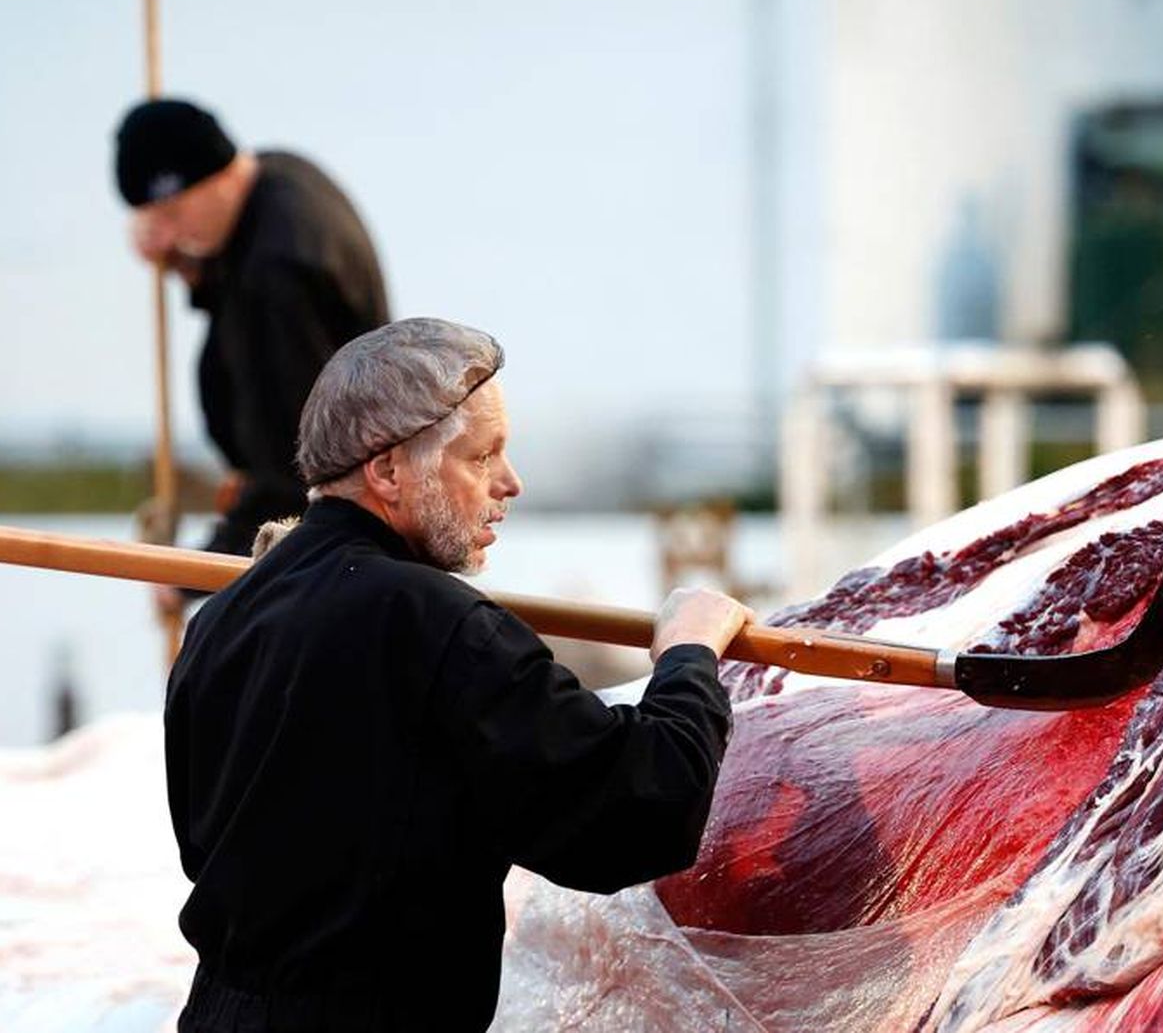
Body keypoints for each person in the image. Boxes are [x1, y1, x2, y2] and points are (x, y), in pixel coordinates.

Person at [164, 318, 752, 1031]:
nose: (511, 483)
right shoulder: (439, 625)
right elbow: (638, 812)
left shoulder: (223, 620)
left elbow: (205, 846)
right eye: (482, 458)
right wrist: (689, 655)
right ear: (386, 471)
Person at [113, 98, 390, 610]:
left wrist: (187, 577)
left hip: (332, 564)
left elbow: (298, 477)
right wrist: (186, 265)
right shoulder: (283, 179)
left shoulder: (277, 277)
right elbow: (234, 295)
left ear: (213, 176)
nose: (167, 236)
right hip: (350, 534)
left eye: (172, 213)